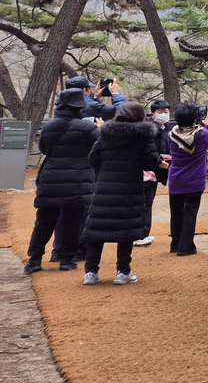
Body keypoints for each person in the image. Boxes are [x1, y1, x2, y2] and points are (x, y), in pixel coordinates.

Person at [79, 101, 164, 285]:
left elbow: (93, 158)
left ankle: (91, 272)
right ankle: (123, 272)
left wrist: (105, 172)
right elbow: (150, 162)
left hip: (104, 188)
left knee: (97, 230)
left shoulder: (105, 134)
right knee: (126, 230)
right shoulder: (143, 136)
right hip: (130, 188)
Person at [24, 87, 98, 273]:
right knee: (72, 221)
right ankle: (66, 259)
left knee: (44, 220)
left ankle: (34, 259)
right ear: (79, 107)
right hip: (77, 179)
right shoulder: (87, 127)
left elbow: (44, 149)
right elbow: (97, 149)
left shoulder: (48, 127)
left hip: (50, 178)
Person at [166, 101, 208, 256]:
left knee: (176, 213)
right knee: (190, 213)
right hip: (195, 179)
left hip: (176, 178)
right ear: (195, 118)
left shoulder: (171, 134)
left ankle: (175, 244)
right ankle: (185, 247)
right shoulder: (201, 133)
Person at [135, 100, 173, 247]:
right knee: (145, 201)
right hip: (148, 170)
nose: (163, 114)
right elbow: (147, 151)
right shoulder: (146, 129)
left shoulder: (169, 128)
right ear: (152, 114)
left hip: (160, 169)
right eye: (160, 112)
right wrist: (158, 159)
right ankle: (140, 234)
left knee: (148, 201)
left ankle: (143, 233)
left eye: (166, 111)